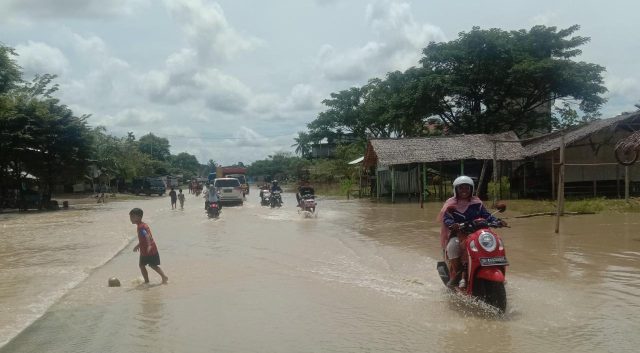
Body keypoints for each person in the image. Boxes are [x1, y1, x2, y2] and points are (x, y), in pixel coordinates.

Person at [436, 176, 506, 289]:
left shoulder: (477, 202)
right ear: (456, 190)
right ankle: (458, 274)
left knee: (496, 242)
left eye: (467, 188)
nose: (464, 190)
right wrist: (453, 224)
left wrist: (497, 221)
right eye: (461, 188)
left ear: (471, 189)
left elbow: (487, 216)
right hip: (459, 233)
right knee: (453, 247)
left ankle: (497, 268)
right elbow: (447, 218)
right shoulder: (451, 204)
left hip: (478, 233)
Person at [129, 208, 169, 284]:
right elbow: (143, 238)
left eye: (132, 217)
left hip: (149, 250)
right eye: (130, 217)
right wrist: (138, 245)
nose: (130, 219)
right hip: (145, 250)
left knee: (152, 265)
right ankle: (147, 281)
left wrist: (149, 245)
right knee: (142, 265)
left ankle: (164, 277)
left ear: (138, 217)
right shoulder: (141, 225)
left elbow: (147, 236)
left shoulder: (141, 227)